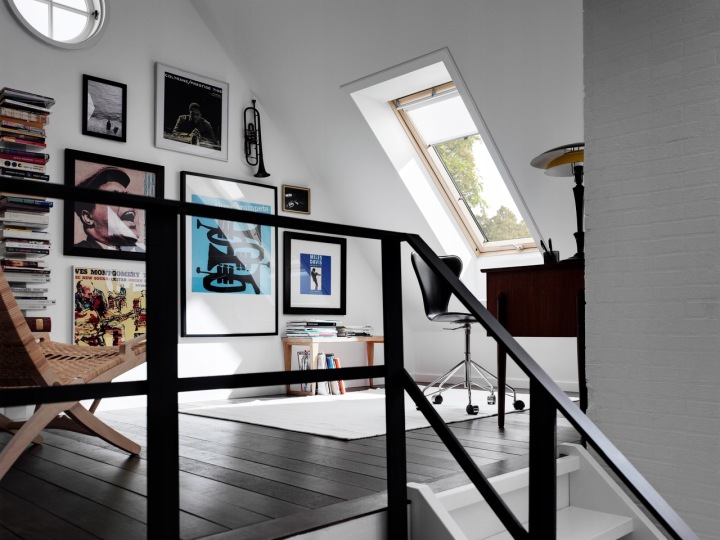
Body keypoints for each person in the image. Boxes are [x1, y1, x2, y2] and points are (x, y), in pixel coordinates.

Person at [74, 167, 146, 252]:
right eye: (114, 197)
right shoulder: (79, 252)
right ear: (88, 217)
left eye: (128, 197)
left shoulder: (142, 252)